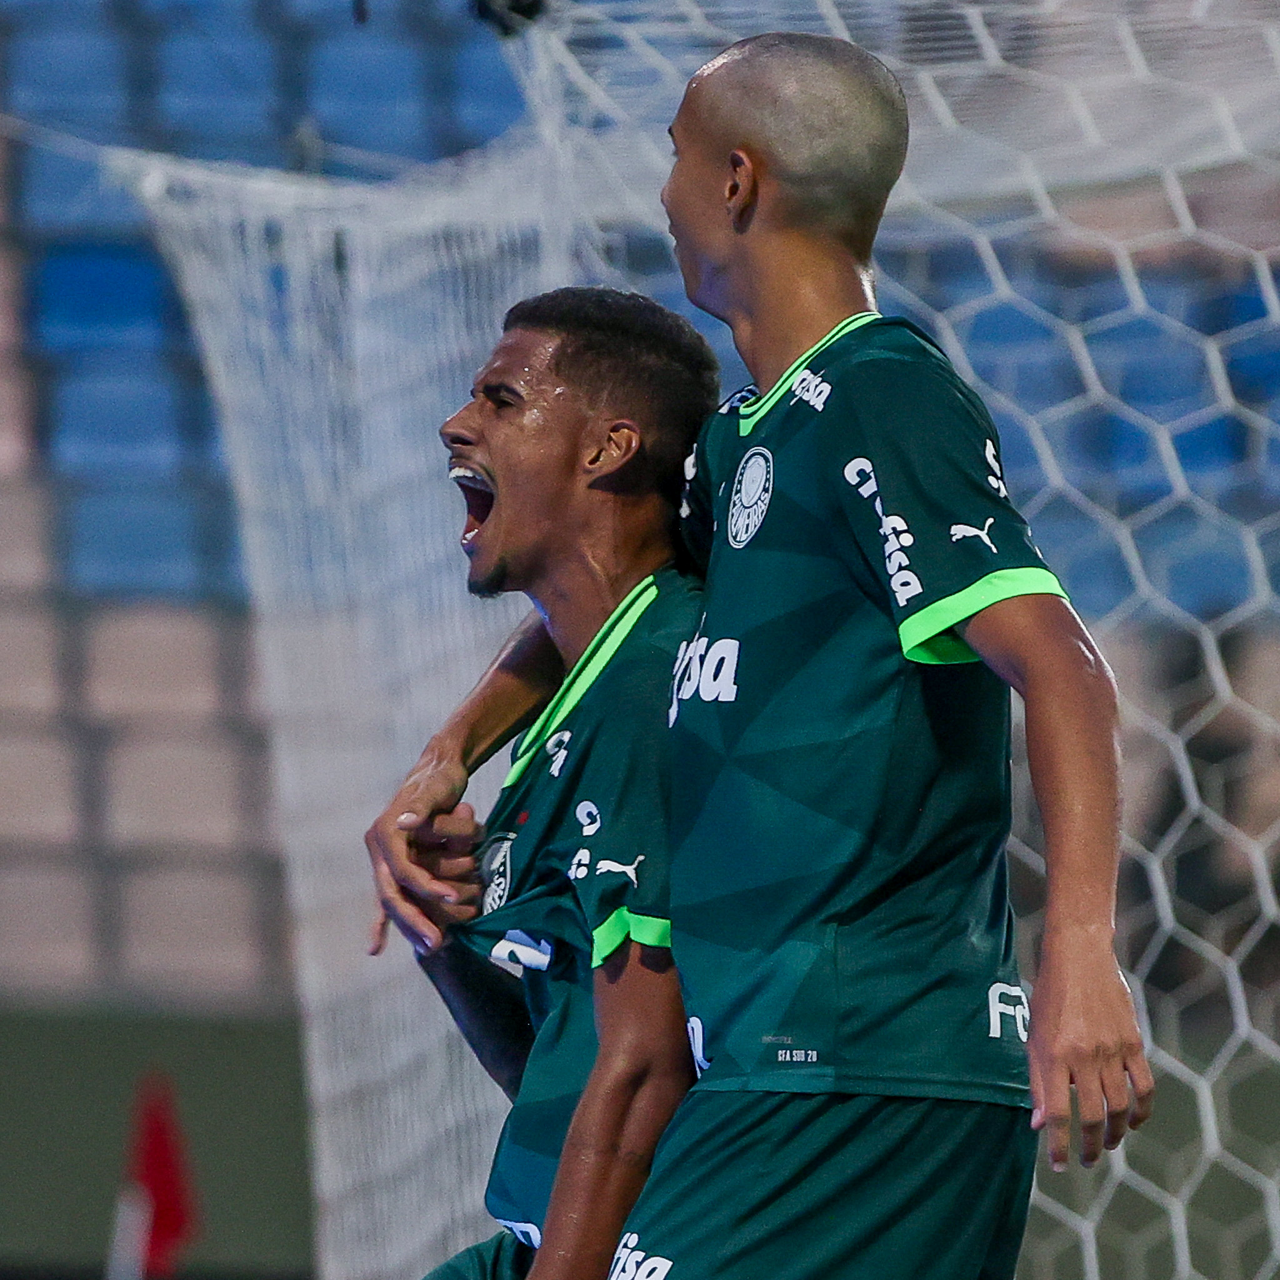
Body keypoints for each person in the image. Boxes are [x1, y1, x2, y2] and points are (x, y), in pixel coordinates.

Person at [368, 33, 1155, 1280]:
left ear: (736, 180)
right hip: (767, 1072)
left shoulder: (878, 393)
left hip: (864, 1061)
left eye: (675, 157)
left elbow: (1060, 665)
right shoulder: (743, 441)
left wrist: (1078, 954)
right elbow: (592, 608)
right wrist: (448, 751)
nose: (662, 192)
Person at [371, 286, 716, 1279]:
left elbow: (649, 1068)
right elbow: (552, 1073)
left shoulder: (660, 681)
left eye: (501, 398)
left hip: (644, 1249)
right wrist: (437, 926)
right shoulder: (584, 683)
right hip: (539, 1238)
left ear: (607, 448)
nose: (455, 422)